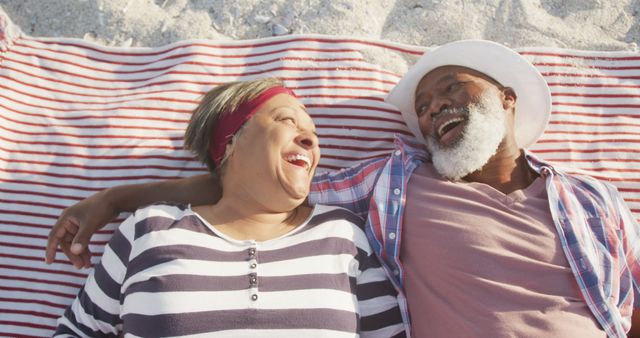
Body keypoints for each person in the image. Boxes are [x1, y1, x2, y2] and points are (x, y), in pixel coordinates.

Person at [46, 40, 640, 337]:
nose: (434, 111)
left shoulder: (595, 200)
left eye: (453, 90)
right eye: (425, 108)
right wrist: (117, 200)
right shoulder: (396, 183)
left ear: (507, 99)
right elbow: (261, 189)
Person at [53, 78, 406, 337]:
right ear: (230, 142)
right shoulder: (149, 229)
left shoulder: (342, 232)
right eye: (286, 120)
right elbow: (76, 331)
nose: (311, 140)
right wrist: (113, 200)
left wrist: (114, 198)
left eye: (312, 133)